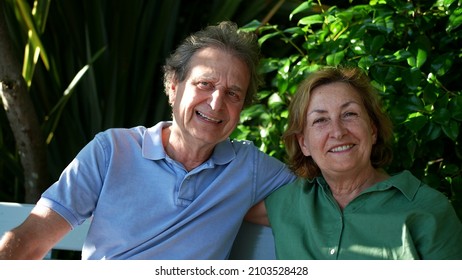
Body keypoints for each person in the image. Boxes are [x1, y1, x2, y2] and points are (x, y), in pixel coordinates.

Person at [0, 21, 296, 260]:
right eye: (205, 84)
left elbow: (325, 198)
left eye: (233, 93)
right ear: (173, 86)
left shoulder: (249, 170)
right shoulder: (111, 151)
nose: (217, 103)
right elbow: (30, 238)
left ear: (242, 106)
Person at [251, 66, 462, 259]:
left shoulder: (428, 209)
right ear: (304, 143)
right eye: (320, 120)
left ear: (372, 129)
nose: (338, 132)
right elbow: (222, 205)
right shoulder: (288, 202)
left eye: (349, 114)